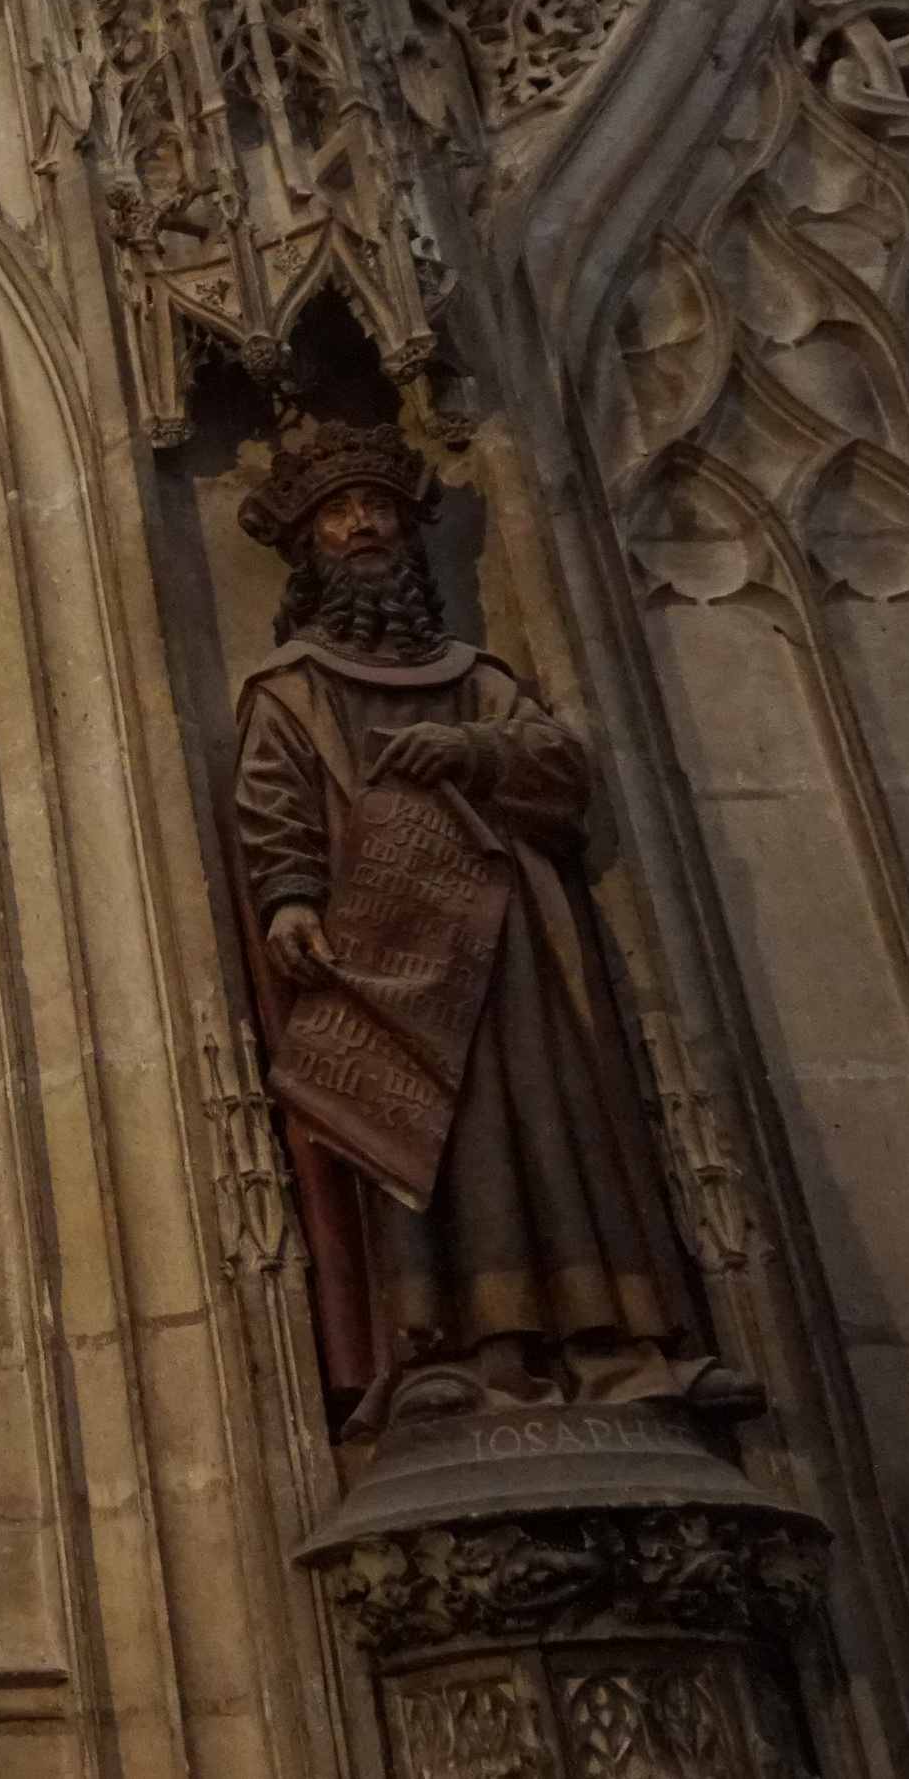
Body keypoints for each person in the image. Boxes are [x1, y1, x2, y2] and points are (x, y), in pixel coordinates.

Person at [223, 420, 742, 1436]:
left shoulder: (479, 678)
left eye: (376, 508)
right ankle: (446, 1349)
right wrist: (289, 897)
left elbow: (558, 764)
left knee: (555, 1134)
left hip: (510, 957)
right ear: (307, 548)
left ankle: (608, 1340)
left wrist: (467, 751)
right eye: (338, 513)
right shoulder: (288, 695)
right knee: (428, 1146)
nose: (362, 523)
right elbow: (270, 804)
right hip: (380, 958)